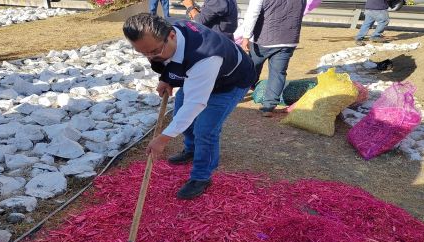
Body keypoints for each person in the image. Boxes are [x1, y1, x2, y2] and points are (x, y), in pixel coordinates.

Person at [123, 13, 256, 199]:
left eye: (154, 52)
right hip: (195, 75)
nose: (150, 58)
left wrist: (163, 139)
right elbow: (171, 61)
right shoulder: (165, 36)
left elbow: (195, 104)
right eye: (142, 53)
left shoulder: (205, 56)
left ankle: (201, 177)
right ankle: (192, 149)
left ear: (171, 35)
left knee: (205, 130)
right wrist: (166, 79)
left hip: (229, 81)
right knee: (180, 113)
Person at [241, 0, 305, 117]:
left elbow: (252, 13)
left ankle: (239, 94)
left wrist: (246, 36)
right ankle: (268, 107)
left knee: (251, 68)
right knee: (278, 73)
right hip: (288, 39)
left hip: (264, 38)